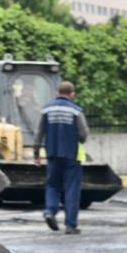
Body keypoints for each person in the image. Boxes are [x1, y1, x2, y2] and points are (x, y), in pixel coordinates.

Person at [33, 80, 89, 235]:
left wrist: (36, 154)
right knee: (72, 188)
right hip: (71, 156)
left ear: (57, 93)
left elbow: (38, 133)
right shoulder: (76, 111)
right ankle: (70, 225)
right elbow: (84, 134)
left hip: (52, 155)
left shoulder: (46, 110)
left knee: (52, 186)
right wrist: (78, 139)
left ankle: (50, 211)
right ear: (72, 94)